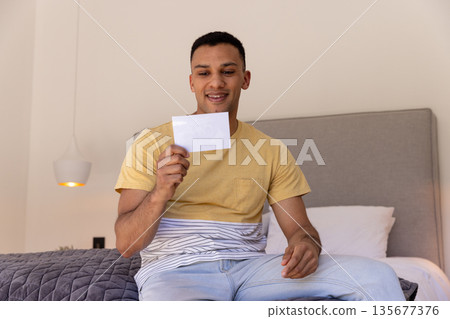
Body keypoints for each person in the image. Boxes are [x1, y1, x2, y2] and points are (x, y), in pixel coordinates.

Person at [114, 31, 405, 301]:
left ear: (245, 79)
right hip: (175, 271)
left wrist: (307, 245)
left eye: (228, 72)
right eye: (204, 73)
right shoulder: (150, 143)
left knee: (376, 276)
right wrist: (160, 192)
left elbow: (300, 229)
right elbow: (127, 244)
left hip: (252, 271)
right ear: (192, 82)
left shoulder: (271, 150)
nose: (216, 83)